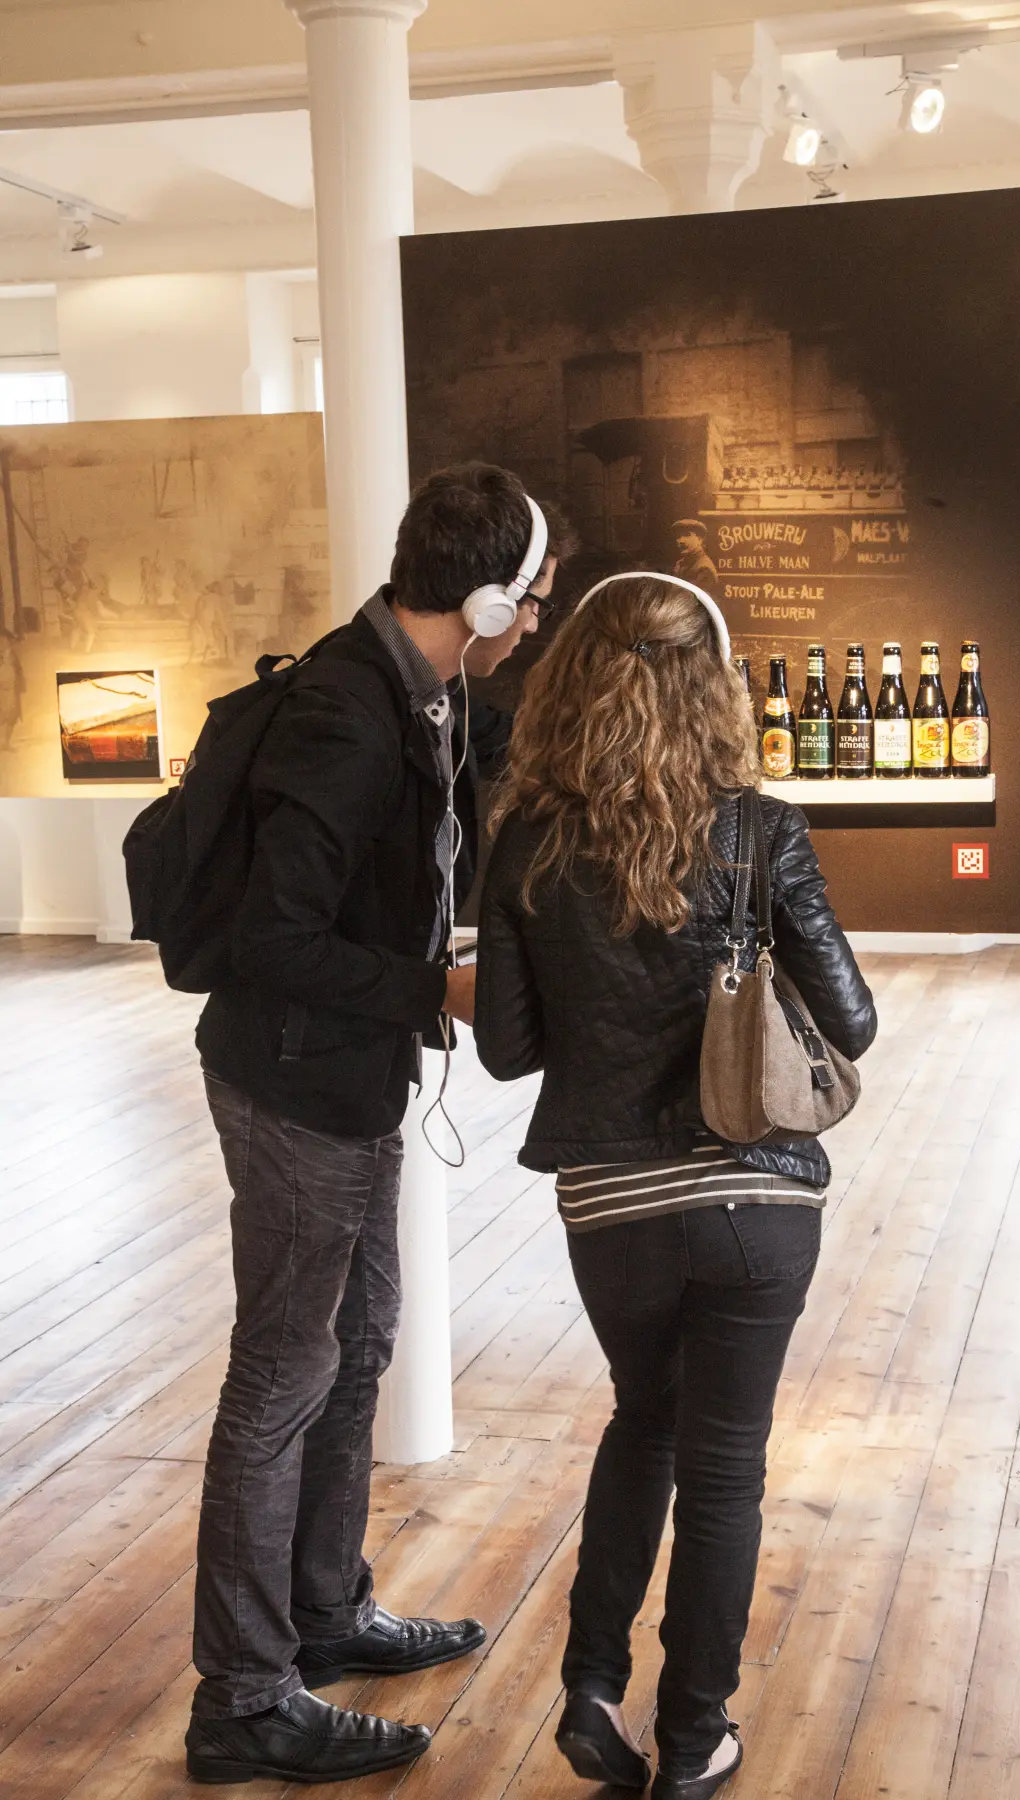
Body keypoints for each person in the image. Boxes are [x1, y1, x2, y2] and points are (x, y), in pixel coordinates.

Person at [184, 462, 570, 1787]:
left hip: (348, 1077)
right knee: (282, 1381)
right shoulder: (351, 714)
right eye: (530, 602)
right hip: (291, 1084)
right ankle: (241, 1700)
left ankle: (324, 1612)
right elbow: (273, 940)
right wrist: (438, 986)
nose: (533, 624)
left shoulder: (421, 691)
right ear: (479, 595)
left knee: (362, 1352)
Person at [474, 573, 876, 1800]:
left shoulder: (531, 838)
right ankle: (697, 1737)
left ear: (574, 681)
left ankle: (594, 1685)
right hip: (758, 1198)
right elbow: (852, 1025)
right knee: (726, 1467)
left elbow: (505, 1045)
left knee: (641, 1417)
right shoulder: (762, 830)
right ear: (717, 687)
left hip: (614, 1206)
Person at [671, 518, 719, 597]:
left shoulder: (704, 568)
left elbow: (692, 602)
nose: (681, 541)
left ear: (699, 539)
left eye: (687, 535)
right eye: (678, 537)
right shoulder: (680, 564)